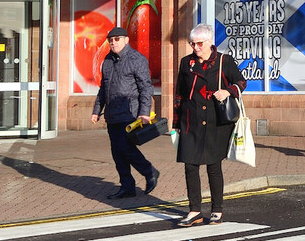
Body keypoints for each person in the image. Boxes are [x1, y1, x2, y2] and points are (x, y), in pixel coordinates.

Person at [172, 24, 244, 226]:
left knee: (213, 166)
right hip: (191, 120)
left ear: (210, 42)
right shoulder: (186, 63)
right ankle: (194, 211)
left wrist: (228, 91)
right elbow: (180, 93)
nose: (196, 47)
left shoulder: (224, 61)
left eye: (199, 44)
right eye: (192, 43)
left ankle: (217, 210)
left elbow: (241, 81)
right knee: (190, 165)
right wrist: (176, 122)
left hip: (216, 121)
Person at [92, 26, 160, 198]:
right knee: (117, 152)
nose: (113, 43)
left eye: (117, 39)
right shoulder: (107, 60)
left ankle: (149, 171)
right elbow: (103, 88)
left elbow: (146, 88)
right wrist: (96, 110)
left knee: (125, 147)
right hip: (112, 115)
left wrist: (144, 112)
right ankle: (127, 186)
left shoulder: (137, 59)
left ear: (126, 40)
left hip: (130, 113)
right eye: (110, 40)